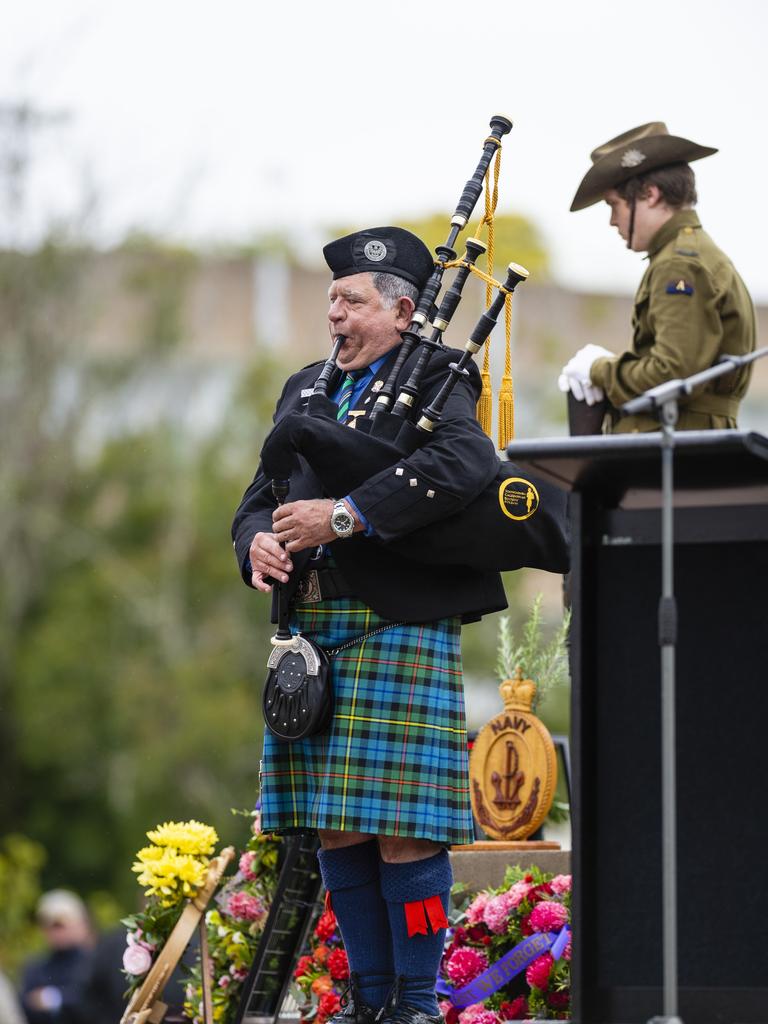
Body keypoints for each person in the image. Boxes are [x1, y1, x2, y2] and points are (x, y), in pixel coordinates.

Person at [232, 226, 508, 1024]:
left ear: (401, 310)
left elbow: (464, 466)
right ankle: (369, 999)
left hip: (397, 625)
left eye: (350, 302)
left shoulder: (442, 376)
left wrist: (346, 516)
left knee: (405, 832)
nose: (335, 317)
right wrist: (255, 541)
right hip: (312, 635)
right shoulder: (302, 389)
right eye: (331, 302)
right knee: (338, 831)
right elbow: (260, 494)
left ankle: (417, 1005)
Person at [559, 121, 756, 432]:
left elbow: (672, 372)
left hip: (674, 451)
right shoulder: (690, 254)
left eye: (614, 205)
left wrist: (598, 370)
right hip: (685, 445)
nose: (612, 221)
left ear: (650, 195)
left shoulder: (679, 264)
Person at [19, 891, 93, 1024]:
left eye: (60, 926)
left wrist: (54, 998)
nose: (55, 933)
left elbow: (91, 1002)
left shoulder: (92, 963)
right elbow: (26, 1005)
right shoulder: (36, 968)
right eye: (49, 926)